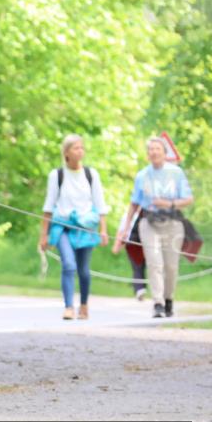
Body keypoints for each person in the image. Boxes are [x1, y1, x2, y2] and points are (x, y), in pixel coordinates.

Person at [119, 137, 194, 318]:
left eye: (157, 149)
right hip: (149, 223)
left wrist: (167, 203)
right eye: (150, 149)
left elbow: (188, 199)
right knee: (154, 263)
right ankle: (158, 303)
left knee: (171, 266)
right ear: (148, 154)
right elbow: (134, 204)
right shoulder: (142, 175)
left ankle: (169, 299)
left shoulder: (176, 173)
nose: (154, 152)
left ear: (164, 152)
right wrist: (126, 228)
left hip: (173, 223)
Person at [38, 134, 109, 320]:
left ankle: (84, 305)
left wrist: (103, 229)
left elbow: (100, 203)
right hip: (63, 227)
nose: (80, 151)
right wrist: (43, 235)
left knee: (83, 270)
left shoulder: (91, 175)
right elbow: (48, 206)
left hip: (85, 228)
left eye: (81, 147)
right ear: (66, 152)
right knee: (69, 265)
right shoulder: (57, 176)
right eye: (76, 148)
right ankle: (69, 306)